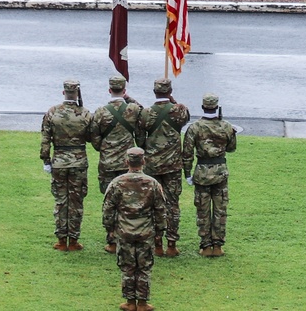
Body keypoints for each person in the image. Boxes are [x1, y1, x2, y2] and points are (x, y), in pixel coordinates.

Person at [102, 147, 167, 311]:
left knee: (127, 266)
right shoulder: (153, 183)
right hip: (146, 231)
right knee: (144, 267)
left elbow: (108, 208)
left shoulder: (117, 183)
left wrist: (110, 229)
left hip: (124, 231)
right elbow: (160, 209)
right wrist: (160, 231)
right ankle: (143, 303)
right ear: (143, 161)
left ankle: (130, 302)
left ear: (126, 162)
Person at [90, 74, 144, 253]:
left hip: (107, 162)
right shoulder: (133, 109)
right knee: (128, 200)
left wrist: (104, 149)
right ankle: (127, 234)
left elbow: (95, 138)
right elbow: (144, 115)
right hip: (126, 163)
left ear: (109, 90)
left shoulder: (100, 111)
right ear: (124, 90)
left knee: (109, 202)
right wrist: (129, 99)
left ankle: (111, 239)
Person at [138, 78, 190, 257]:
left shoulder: (146, 113)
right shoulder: (179, 111)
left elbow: (140, 139)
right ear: (170, 91)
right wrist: (173, 101)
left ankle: (157, 242)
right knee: (172, 204)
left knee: (152, 205)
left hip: (152, 166)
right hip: (173, 166)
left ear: (154, 92)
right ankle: (172, 244)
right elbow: (185, 115)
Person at [182, 93, 237, 257]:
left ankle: (205, 245)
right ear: (217, 107)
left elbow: (187, 153)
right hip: (220, 172)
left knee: (203, 210)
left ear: (202, 107)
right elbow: (231, 148)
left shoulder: (194, 127)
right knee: (220, 210)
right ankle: (218, 246)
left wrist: (187, 173)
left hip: (202, 173)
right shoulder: (226, 126)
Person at [41, 78, 93, 251]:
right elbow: (92, 137)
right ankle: (74, 239)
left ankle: (61, 239)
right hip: (78, 161)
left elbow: (45, 140)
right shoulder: (85, 113)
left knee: (61, 200)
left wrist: (46, 160)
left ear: (64, 92)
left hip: (59, 161)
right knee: (76, 201)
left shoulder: (52, 112)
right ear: (76, 93)